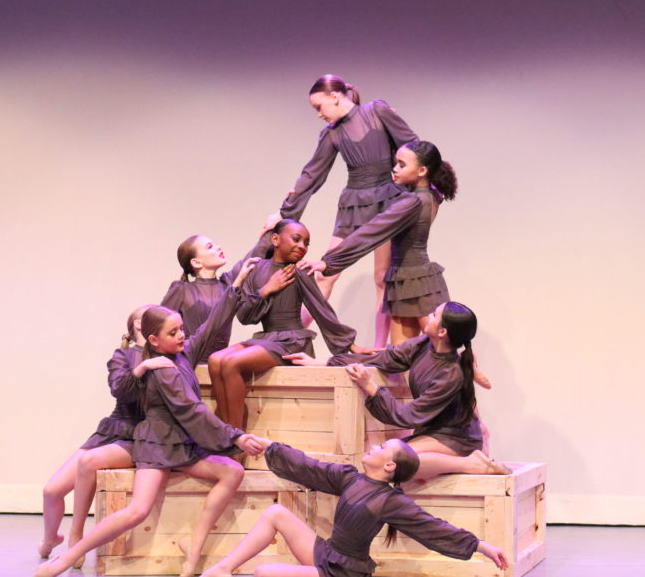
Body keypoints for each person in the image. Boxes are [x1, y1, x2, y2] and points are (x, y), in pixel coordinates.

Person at [34, 266, 265, 577]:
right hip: (157, 445)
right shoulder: (158, 368)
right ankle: (68, 556)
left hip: (184, 445)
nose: (182, 335)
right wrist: (235, 437)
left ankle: (194, 545)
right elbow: (191, 411)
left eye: (182, 329)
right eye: (174, 333)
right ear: (153, 340)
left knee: (233, 471)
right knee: (137, 511)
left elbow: (214, 323)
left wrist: (236, 285)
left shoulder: (183, 354)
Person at [190, 438, 508, 577]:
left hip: (344, 576)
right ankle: (223, 568)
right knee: (275, 513)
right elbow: (309, 467)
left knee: (262, 575)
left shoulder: (390, 502)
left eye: (382, 447)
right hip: (326, 554)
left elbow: (433, 528)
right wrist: (271, 447)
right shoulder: (350, 478)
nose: (372, 446)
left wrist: (482, 546)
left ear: (390, 467)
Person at [271, 74, 418, 345]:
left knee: (383, 279)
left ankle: (379, 350)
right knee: (325, 274)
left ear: (334, 96)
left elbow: (412, 146)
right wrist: (285, 213)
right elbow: (312, 175)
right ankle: (286, 340)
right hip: (354, 204)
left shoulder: (377, 111)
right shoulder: (332, 134)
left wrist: (428, 185)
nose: (318, 114)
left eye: (318, 107)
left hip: (388, 198)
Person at [288, 301, 508, 479]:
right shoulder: (423, 344)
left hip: (456, 438)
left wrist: (371, 387)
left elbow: (408, 416)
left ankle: (469, 463)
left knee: (395, 463)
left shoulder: (450, 374)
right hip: (432, 433)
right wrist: (326, 362)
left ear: (442, 331)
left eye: (433, 315)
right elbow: (384, 357)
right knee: (388, 459)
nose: (427, 316)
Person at [36, 306, 173, 565]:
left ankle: (76, 537)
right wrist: (143, 367)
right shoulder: (122, 355)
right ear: (138, 325)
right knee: (52, 490)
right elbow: (120, 390)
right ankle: (49, 539)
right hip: (114, 428)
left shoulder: (165, 355)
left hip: (140, 435)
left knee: (90, 463)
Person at [207, 219, 371, 430]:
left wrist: (349, 344)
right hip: (267, 338)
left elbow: (321, 310)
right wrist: (267, 289)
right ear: (275, 239)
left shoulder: (300, 272)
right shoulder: (257, 269)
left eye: (306, 243)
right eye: (296, 239)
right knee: (215, 360)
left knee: (231, 363)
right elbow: (246, 317)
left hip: (292, 341)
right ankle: (225, 433)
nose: (302, 246)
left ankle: (237, 439)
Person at [298, 140, 455, 346]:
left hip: (416, 281)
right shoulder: (433, 195)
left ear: (422, 170)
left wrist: (329, 262)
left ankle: (469, 365)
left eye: (402, 164)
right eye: (396, 163)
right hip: (405, 280)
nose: (395, 169)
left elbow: (372, 231)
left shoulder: (412, 202)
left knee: (442, 349)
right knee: (401, 359)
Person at [160, 220, 275, 363]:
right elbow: (159, 326)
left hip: (219, 365)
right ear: (196, 262)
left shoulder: (229, 282)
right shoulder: (182, 289)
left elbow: (259, 250)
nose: (218, 247)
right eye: (210, 247)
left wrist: (279, 218)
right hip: (188, 364)